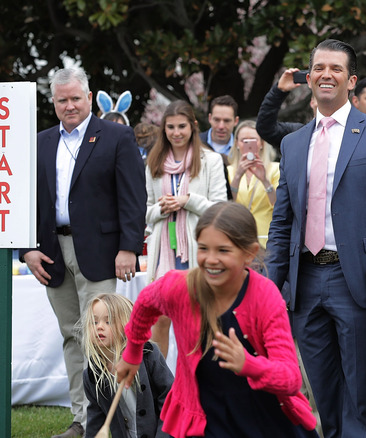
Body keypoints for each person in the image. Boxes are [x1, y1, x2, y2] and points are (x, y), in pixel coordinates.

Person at [266, 39, 366, 438]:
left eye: (335, 68)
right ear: (309, 77)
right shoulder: (293, 143)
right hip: (305, 284)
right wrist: (269, 288)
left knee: (361, 393)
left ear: (350, 81)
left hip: (360, 281)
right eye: (319, 67)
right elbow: (283, 222)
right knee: (322, 393)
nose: (326, 75)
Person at [19, 66, 146, 438]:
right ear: (53, 103)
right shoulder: (40, 141)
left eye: (76, 98)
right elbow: (28, 199)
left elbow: (133, 198)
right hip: (51, 253)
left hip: (102, 252)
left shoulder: (117, 136)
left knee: (103, 336)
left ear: (90, 98)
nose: (70, 105)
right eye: (62, 100)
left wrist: (128, 248)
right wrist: (28, 249)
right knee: (72, 336)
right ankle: (83, 420)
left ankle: (122, 420)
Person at [116, 202, 317, 437]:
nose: (211, 259)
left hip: (262, 419)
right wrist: (132, 352)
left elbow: (291, 378)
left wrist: (249, 365)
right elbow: (145, 304)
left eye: (223, 250)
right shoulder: (179, 287)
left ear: (249, 253)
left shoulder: (266, 297)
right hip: (205, 418)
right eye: (203, 248)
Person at [145, 100, 228, 357]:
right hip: (163, 254)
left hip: (196, 252)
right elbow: (146, 211)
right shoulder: (154, 163)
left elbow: (220, 209)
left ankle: (196, 384)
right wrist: (162, 208)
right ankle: (162, 389)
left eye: (182, 126)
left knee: (196, 322)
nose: (176, 132)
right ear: (164, 129)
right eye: (170, 127)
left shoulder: (211, 160)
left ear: (193, 127)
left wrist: (188, 201)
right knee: (160, 320)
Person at [81, 293, 173, 438]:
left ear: (126, 325)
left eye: (108, 321)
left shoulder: (148, 354)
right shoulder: (92, 374)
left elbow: (169, 399)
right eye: (94, 321)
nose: (99, 327)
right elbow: (96, 417)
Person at [228, 120, 280, 248]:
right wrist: (238, 176)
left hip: (266, 239)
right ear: (237, 144)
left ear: (262, 143)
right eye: (244, 141)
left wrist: (265, 180)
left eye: (253, 140)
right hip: (236, 237)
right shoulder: (229, 171)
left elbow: (279, 205)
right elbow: (226, 203)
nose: (248, 144)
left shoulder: (275, 169)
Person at [256, 68, 314, 151]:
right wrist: (279, 91)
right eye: (320, 99)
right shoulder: (298, 133)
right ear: (312, 102)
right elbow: (266, 128)